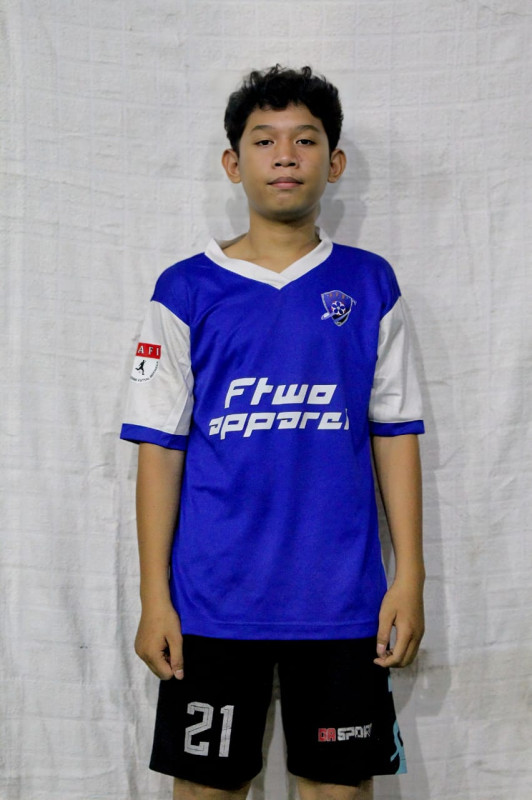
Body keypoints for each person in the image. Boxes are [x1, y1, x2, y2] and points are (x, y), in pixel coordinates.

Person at [120, 65, 425, 800]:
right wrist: (155, 597)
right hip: (213, 602)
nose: (285, 156)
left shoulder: (369, 284)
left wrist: (410, 576)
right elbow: (160, 451)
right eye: (264, 140)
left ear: (334, 162)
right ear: (234, 163)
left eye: (305, 140)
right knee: (207, 791)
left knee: (336, 791)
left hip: (343, 602)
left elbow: (395, 432)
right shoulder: (184, 289)